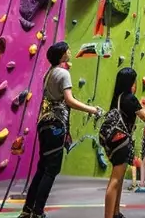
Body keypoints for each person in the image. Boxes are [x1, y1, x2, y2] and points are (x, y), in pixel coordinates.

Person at [20, 42, 102, 218]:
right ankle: (38, 211)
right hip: (56, 124)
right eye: (67, 50)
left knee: (42, 167)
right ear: (62, 55)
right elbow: (69, 100)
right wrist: (92, 109)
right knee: (52, 169)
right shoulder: (63, 73)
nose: (70, 52)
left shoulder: (48, 73)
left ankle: (27, 209)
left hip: (44, 122)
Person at [104, 67, 145, 218]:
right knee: (115, 181)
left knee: (118, 180)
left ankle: (116, 212)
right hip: (121, 142)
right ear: (131, 82)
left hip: (113, 142)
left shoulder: (117, 98)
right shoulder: (129, 98)